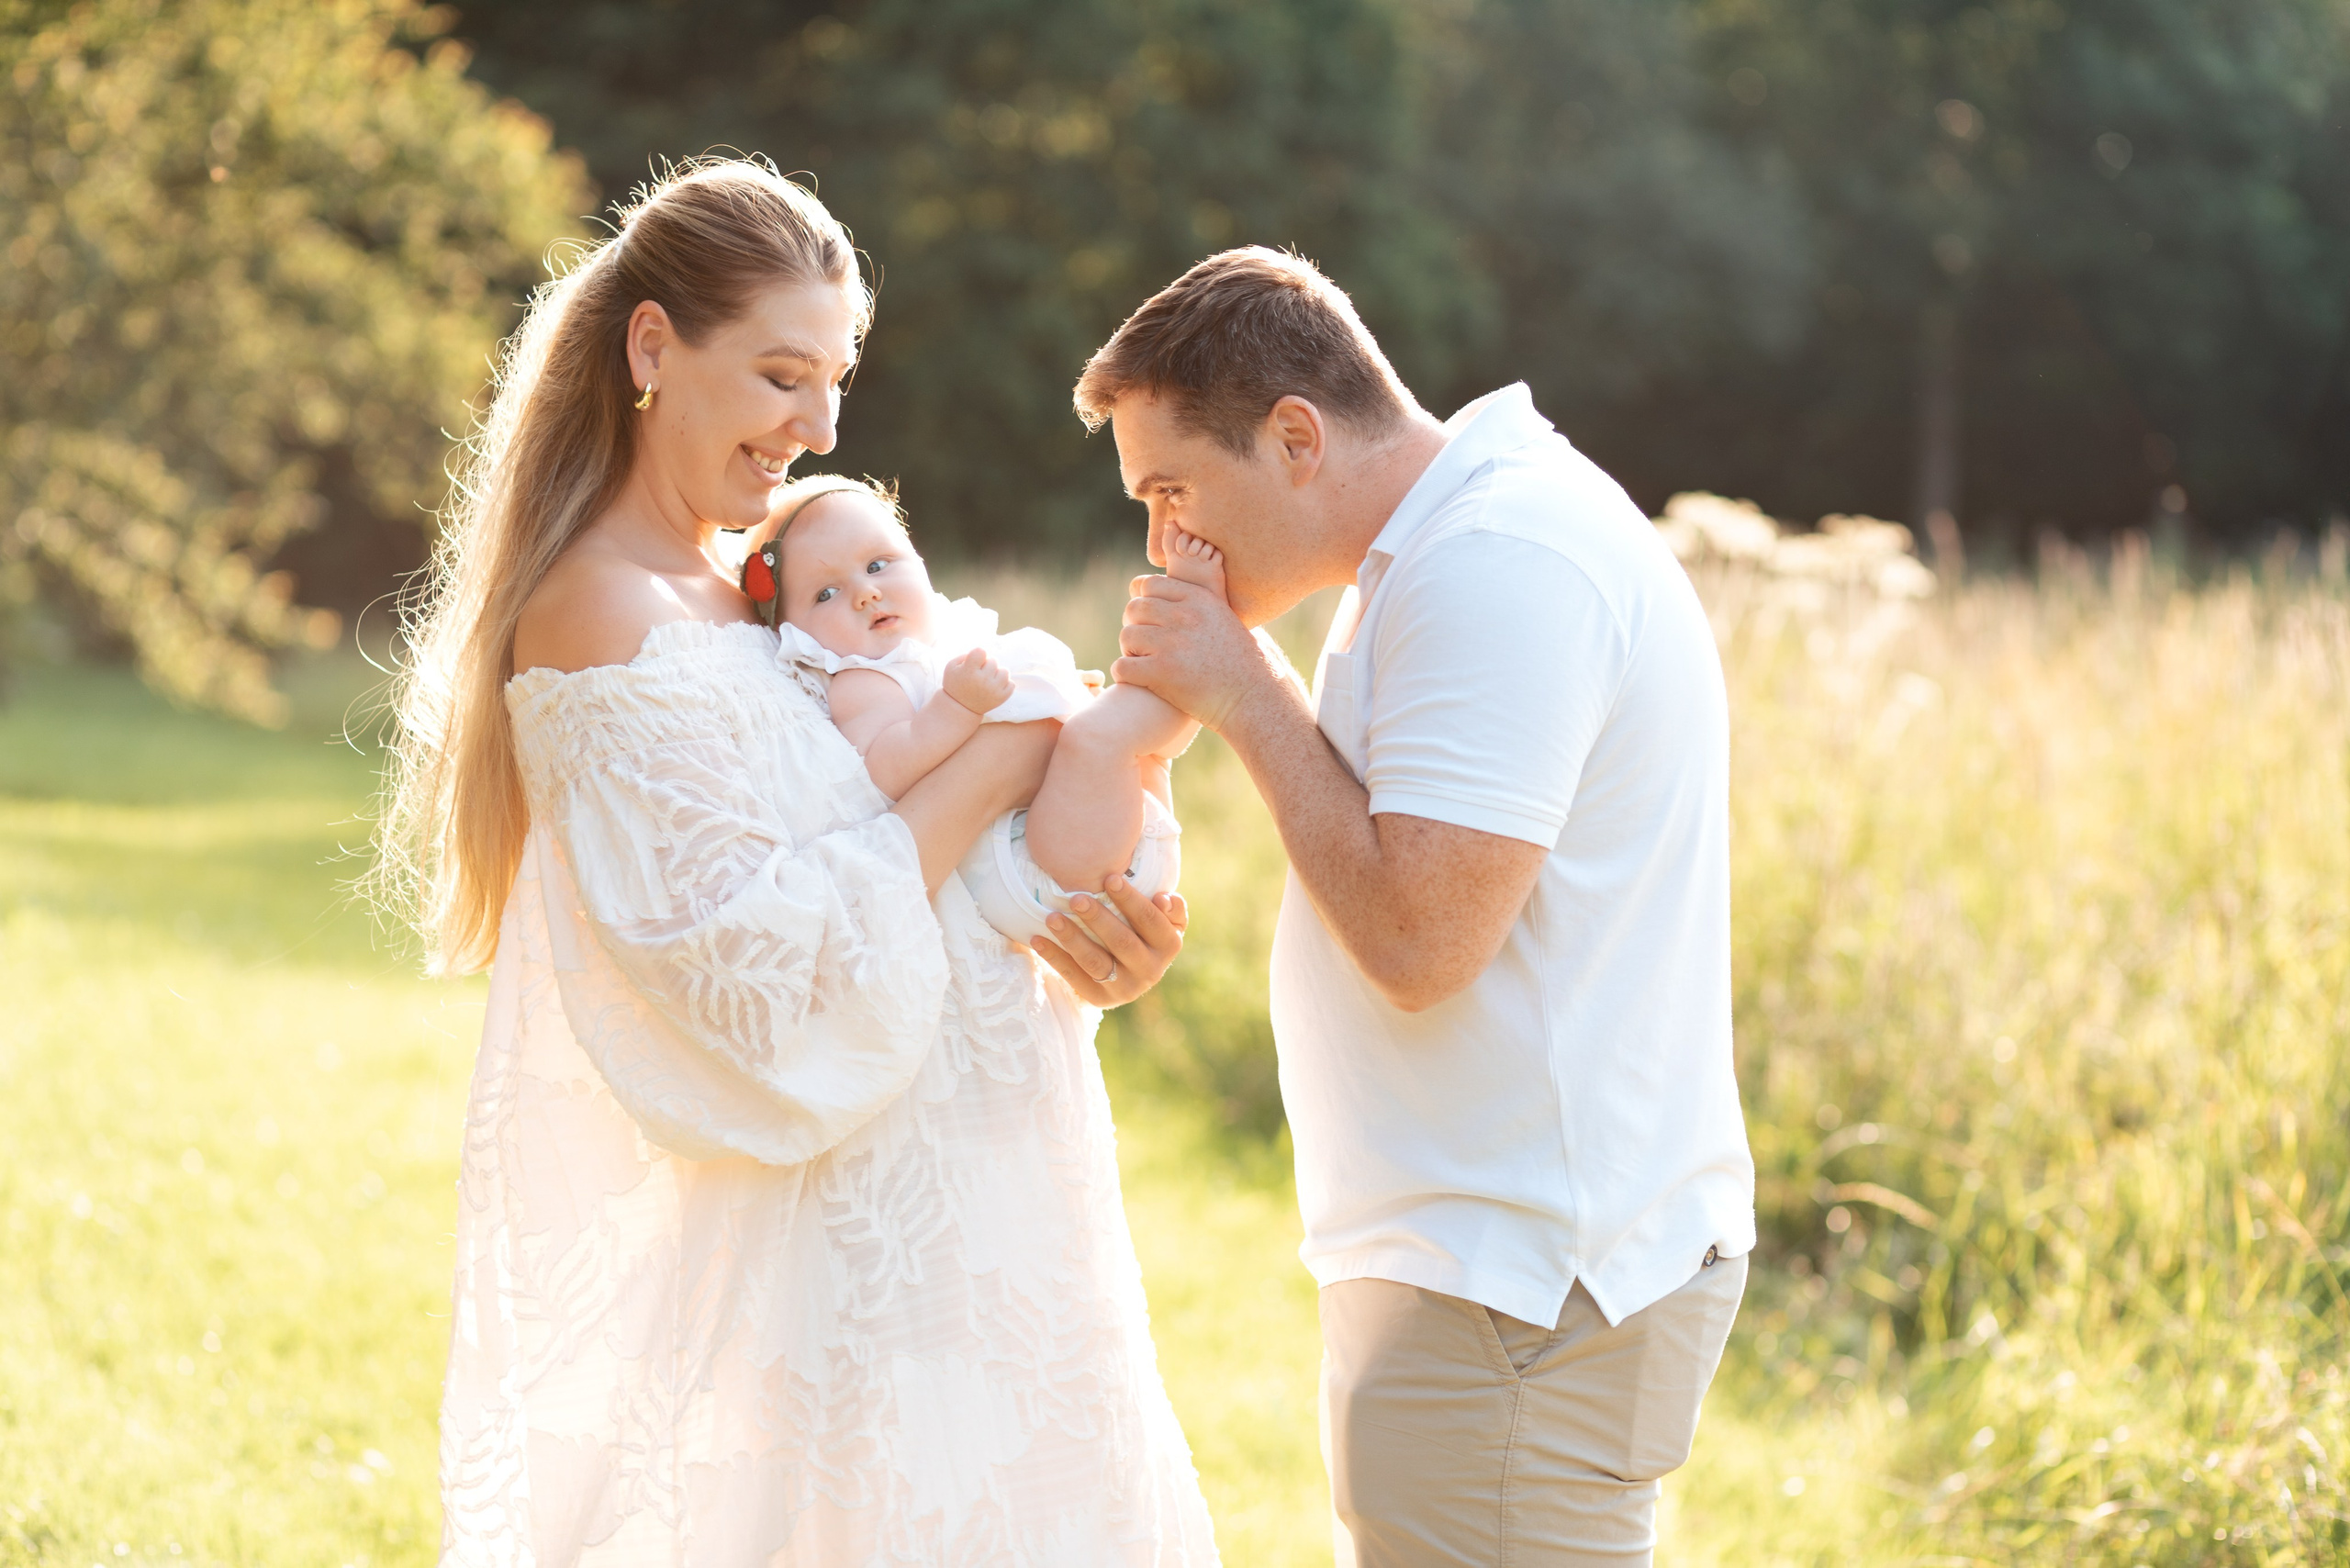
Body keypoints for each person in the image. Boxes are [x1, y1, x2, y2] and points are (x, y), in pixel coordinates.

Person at [377, 159, 1218, 1566]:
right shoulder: (599, 613)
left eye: (834, 380)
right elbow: (746, 970)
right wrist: (1002, 759)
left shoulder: (784, 586)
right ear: (654, 347)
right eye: (781, 374)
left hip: (998, 1202)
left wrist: (1095, 918)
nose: (818, 424)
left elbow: (927, 848)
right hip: (841, 1259)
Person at [1080, 247, 1757, 1565]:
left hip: (1523, 1290)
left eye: (1173, 490)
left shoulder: (1497, 563)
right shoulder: (1440, 550)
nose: (1164, 542)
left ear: (1293, 436)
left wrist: (1247, 690)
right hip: (1487, 1273)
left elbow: (1421, 939)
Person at [752, 473, 1201, 945]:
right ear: (797, 637)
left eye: (879, 564)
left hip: (1114, 832)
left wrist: (1059, 693)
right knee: (1110, 731)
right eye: (825, 594)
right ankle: (1195, 605)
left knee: (1136, 718)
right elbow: (884, 768)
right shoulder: (864, 678)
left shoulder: (947, 633)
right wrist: (956, 706)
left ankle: (1194, 637)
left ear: (919, 561)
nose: (865, 593)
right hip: (1039, 867)